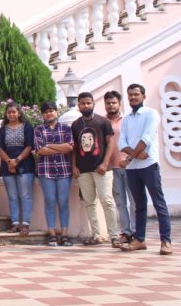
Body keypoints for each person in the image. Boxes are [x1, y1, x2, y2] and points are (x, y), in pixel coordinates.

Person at [118, 84, 172, 255]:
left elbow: (146, 138)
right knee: (139, 205)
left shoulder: (151, 114)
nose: (133, 97)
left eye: (136, 94)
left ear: (143, 96)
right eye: (130, 95)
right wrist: (134, 155)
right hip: (133, 168)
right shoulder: (126, 119)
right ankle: (139, 240)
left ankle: (166, 241)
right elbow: (122, 143)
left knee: (159, 203)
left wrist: (131, 155)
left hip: (149, 166)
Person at [71, 92, 119, 247]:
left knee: (107, 200)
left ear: (93, 103)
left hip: (102, 169)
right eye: (82, 103)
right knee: (90, 203)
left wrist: (105, 163)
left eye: (88, 103)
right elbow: (74, 148)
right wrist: (74, 166)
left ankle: (114, 236)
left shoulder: (103, 122)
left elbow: (110, 143)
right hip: (83, 170)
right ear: (78, 105)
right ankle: (96, 235)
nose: (86, 106)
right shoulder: (76, 125)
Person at [34, 101, 74, 247]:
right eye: (45, 112)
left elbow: (69, 147)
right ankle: (51, 234)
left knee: (63, 202)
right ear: (43, 115)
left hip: (64, 170)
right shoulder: (39, 130)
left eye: (51, 111)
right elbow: (39, 150)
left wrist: (49, 145)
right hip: (46, 170)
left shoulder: (66, 128)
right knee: (50, 201)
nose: (49, 114)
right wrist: (60, 148)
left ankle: (64, 234)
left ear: (56, 112)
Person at [0, 103, 35, 235]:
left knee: (25, 195)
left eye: (13, 112)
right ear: (6, 114)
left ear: (19, 113)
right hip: (7, 165)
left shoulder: (27, 127)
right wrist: (9, 162)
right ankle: (15, 223)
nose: (11, 114)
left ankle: (26, 224)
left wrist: (17, 160)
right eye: (9, 112)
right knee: (12, 196)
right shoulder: (3, 130)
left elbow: (29, 146)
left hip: (25, 164)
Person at [104, 90, 135, 245]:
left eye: (113, 102)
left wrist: (130, 159)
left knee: (134, 201)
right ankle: (126, 232)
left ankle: (136, 232)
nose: (111, 105)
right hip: (112, 168)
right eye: (108, 103)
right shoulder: (102, 123)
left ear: (119, 103)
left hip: (130, 166)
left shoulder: (128, 120)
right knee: (120, 202)